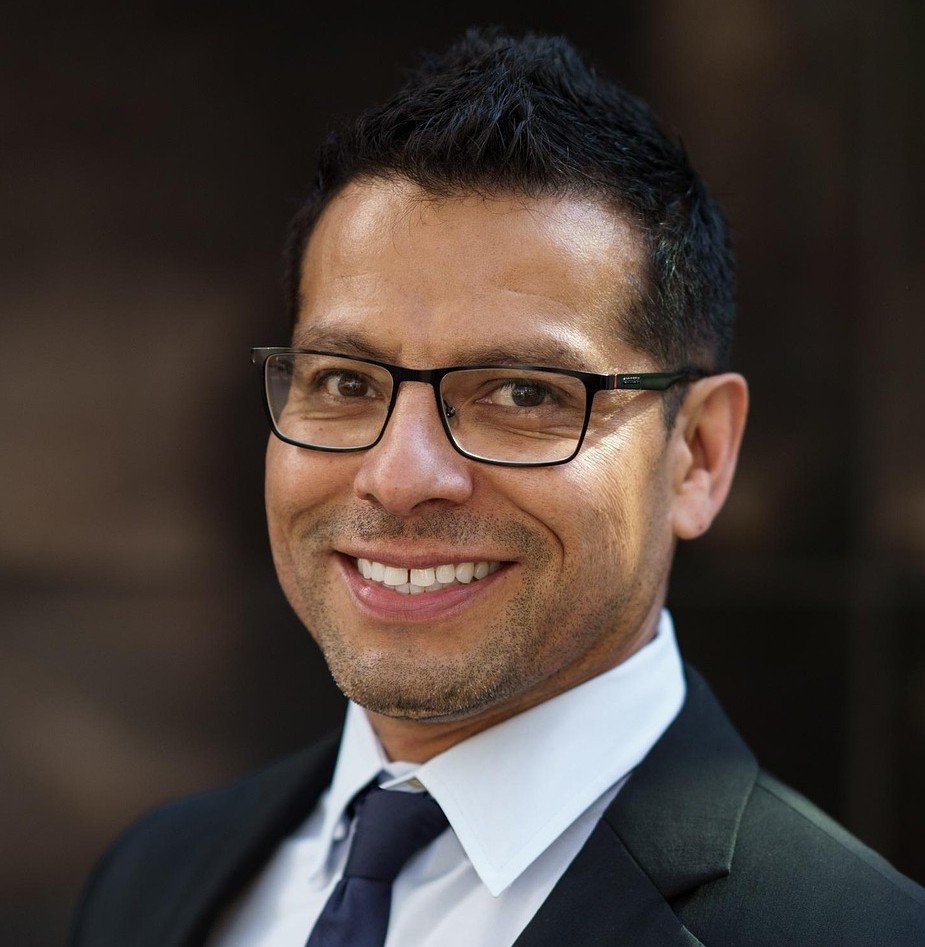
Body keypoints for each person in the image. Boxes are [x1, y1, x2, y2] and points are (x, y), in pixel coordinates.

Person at [70, 27, 925, 947]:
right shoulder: (150, 878)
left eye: (522, 393)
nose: (400, 476)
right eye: (346, 381)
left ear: (699, 454)